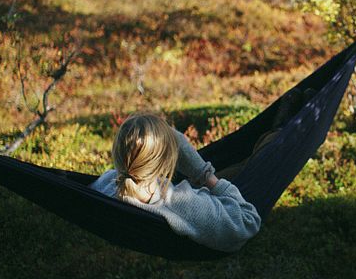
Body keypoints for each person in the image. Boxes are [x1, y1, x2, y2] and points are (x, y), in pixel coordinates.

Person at [90, 88, 310, 253]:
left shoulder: (106, 184)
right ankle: (282, 130)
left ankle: (279, 128)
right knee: (251, 168)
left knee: (239, 168)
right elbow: (248, 222)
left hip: (172, 192)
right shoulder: (186, 206)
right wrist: (206, 176)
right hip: (211, 201)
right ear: (165, 158)